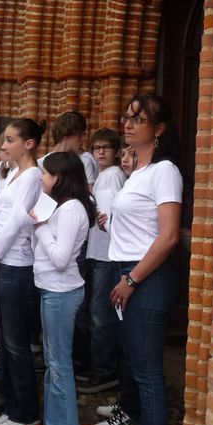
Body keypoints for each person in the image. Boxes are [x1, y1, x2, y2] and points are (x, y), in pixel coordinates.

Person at [101, 93, 182, 425]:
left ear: (159, 129)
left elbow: (167, 237)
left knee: (148, 371)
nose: (129, 123)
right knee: (135, 363)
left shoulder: (165, 170)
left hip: (147, 277)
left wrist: (132, 279)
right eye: (127, 116)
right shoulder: (138, 173)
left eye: (139, 118)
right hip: (128, 271)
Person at [26, 152, 95, 425]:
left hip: (61, 292)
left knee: (59, 365)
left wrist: (40, 227)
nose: (41, 178)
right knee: (53, 364)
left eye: (46, 174)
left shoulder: (70, 210)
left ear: (60, 177)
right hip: (51, 290)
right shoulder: (62, 206)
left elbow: (60, 258)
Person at [0, 118, 45, 425]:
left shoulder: (32, 176)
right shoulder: (13, 175)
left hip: (17, 266)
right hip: (3, 262)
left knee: (16, 342)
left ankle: (26, 411)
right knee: (7, 343)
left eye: (10, 140)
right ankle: (11, 403)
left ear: (29, 144)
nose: (4, 145)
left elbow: (14, 223)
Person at [79, 128, 126, 394]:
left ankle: (105, 372)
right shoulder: (102, 176)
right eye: (96, 147)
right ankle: (99, 367)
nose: (100, 152)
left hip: (108, 254)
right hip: (98, 251)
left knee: (102, 315)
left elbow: (116, 214)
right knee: (97, 312)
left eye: (106, 148)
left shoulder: (113, 175)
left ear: (116, 151)